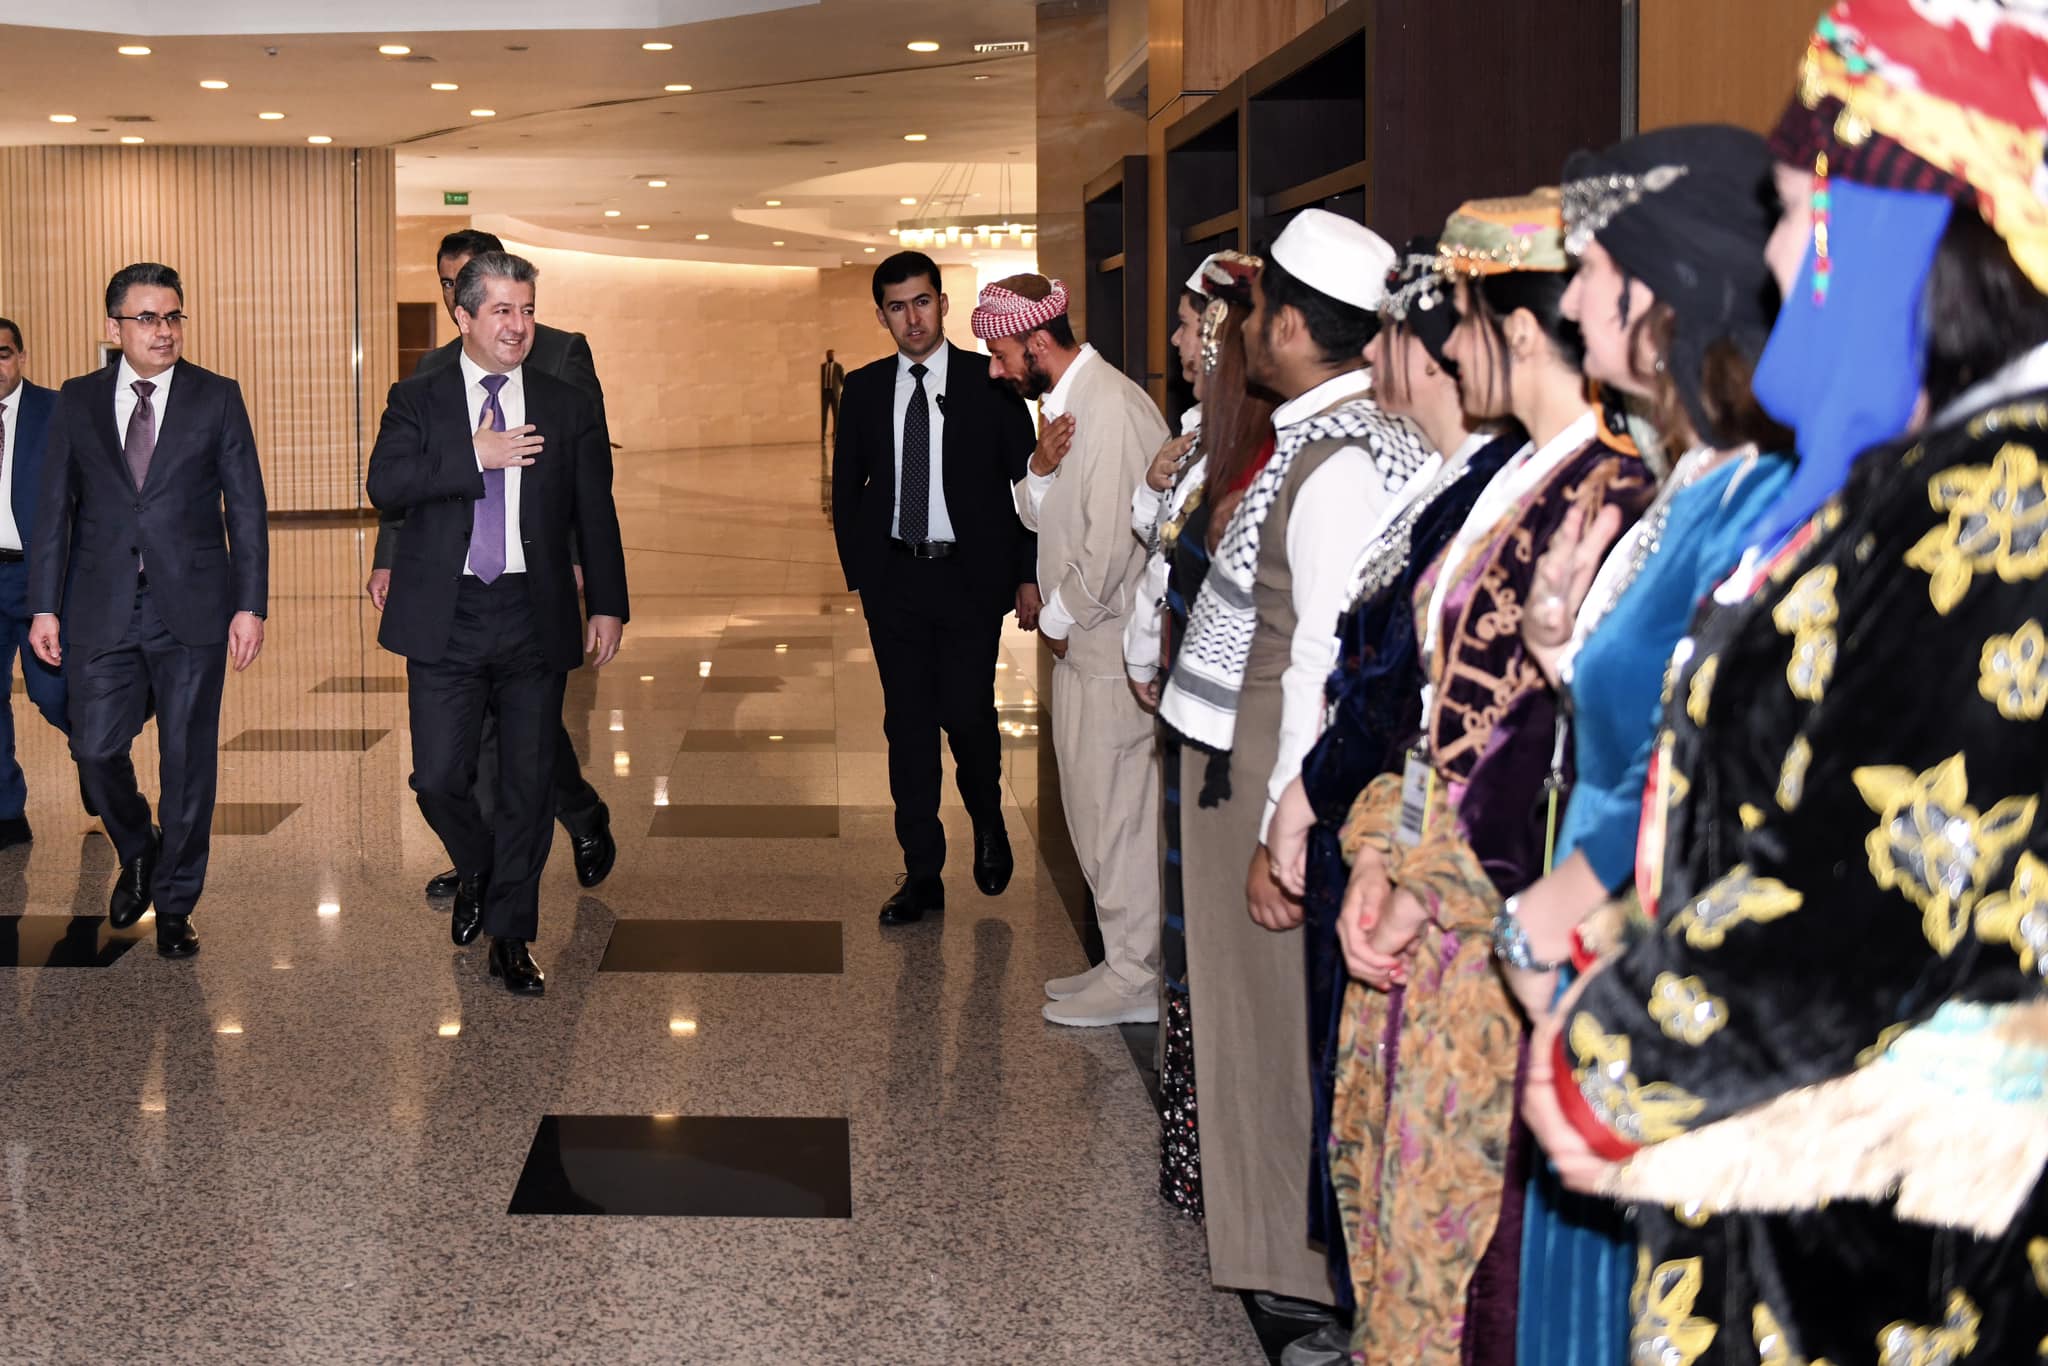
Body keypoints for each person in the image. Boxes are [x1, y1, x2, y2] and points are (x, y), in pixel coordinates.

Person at [1524, 5, 2048, 1360]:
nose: (1769, 257)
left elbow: (1879, 875)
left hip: (1888, 1237)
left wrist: (1611, 1054)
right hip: (1812, 1178)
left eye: (1799, 214)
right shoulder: (1931, 474)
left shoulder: (2001, 500)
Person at [1325, 192, 1652, 1365]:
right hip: (1419, 877)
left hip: (1484, 910)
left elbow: (1523, 740)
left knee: (1456, 1245)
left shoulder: (1606, 490)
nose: (1442, 346)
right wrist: (1376, 844)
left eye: (1456, 319)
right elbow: (1433, 706)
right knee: (1388, 1208)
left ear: (1514, 330)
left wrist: (1417, 878)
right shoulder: (1521, 475)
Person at [1490, 123, 1797, 1365]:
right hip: (1594, 953)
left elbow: (1693, 756)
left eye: (1592, 271)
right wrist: (1566, 650)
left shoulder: (1762, 496)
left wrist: (1541, 918)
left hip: (1632, 947)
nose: (1567, 300)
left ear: (1668, 291)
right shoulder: (1695, 476)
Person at [1156, 210, 1436, 1333]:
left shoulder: (1341, 460)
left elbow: (1325, 654)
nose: (1239, 329)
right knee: (1250, 1016)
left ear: (1290, 326)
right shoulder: (1323, 438)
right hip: (1259, 773)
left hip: (1275, 781)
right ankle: (1273, 1243)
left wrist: (1287, 821)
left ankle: (1301, 1269)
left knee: (1274, 1023)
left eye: (1253, 309)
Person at [1264, 238, 1525, 1332]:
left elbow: (1427, 700)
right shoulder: (1437, 479)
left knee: (1431, 1191)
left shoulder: (1502, 489)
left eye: (1395, 333)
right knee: (1368, 1149)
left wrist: (1314, 798)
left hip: (1440, 871)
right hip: (1378, 836)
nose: (1375, 353)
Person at [366, 251, 629, 997]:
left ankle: (511, 936)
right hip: (445, 614)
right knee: (439, 776)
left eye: (527, 310)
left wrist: (606, 602)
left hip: (530, 607)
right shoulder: (417, 399)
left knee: (526, 783)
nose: (518, 326)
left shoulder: (562, 401)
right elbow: (384, 483)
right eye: (502, 311)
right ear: (464, 316)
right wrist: (469, 454)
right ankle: (478, 863)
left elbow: (595, 510)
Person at [28, 262, 270, 959]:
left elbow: (245, 507)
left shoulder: (215, 397)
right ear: (113, 329)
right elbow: (53, 514)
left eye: (173, 317)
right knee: (95, 747)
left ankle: (176, 903)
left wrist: (249, 605)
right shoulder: (77, 401)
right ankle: (139, 846)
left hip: (192, 607)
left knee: (188, 760)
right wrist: (44, 606)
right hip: (99, 606)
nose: (163, 331)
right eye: (147, 319)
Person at [1126, 249, 1274, 1219]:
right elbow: (1162, 551)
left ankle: (1231, 1172)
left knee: (1220, 950)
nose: (1177, 344)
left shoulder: (1264, 455)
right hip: (1194, 726)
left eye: (1188, 327)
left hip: (1238, 751)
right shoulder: (1200, 438)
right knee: (1193, 942)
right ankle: (1200, 1161)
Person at [980, 273, 1169, 1027]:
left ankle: (1136, 976)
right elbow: (1032, 514)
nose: (996, 371)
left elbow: (1116, 545)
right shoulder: (1064, 409)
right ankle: (1119, 961)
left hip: (1109, 646)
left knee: (1118, 813)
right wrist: (1039, 468)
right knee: (1093, 810)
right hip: (1083, 649)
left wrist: (1056, 618)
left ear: (1036, 341)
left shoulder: (1113, 408)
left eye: (999, 356)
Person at [830, 251, 1037, 925]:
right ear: (882, 314)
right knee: (908, 725)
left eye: (922, 302)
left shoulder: (993, 382)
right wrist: (862, 574)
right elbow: (847, 488)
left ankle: (987, 817)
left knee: (968, 714)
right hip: (896, 581)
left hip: (970, 581)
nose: (911, 318)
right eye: (897, 306)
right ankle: (923, 874)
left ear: (943, 304)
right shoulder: (862, 390)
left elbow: (1027, 487)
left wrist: (1028, 572)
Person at [0, 319, 71, 849]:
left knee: (54, 694)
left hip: (40, 575)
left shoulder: (57, 411)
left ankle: (99, 770)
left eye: (1, 354)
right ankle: (6, 810)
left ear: (21, 356)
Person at [821, 347, 845, 442]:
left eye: (831, 354)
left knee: (836, 415)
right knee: (823, 415)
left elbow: (842, 380)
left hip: (835, 394)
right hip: (825, 393)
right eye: (828, 355)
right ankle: (822, 434)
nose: (830, 356)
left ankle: (835, 434)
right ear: (826, 356)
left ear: (833, 356)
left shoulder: (838, 367)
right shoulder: (822, 367)